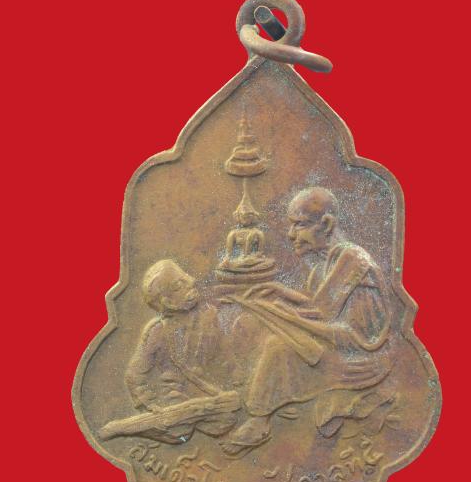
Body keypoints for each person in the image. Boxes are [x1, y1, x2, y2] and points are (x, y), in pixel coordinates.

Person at [222, 188, 392, 455]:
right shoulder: (327, 262)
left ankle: (259, 419)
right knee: (252, 321)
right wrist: (279, 292)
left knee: (277, 347)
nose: (291, 234)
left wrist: (285, 314)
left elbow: (328, 319)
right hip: (335, 343)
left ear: (326, 224)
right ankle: (263, 393)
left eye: (299, 225)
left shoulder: (352, 259)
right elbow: (315, 304)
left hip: (358, 357)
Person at [125, 259, 236, 444]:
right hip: (177, 400)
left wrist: (235, 374)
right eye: (179, 284)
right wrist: (149, 405)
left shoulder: (209, 315)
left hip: (211, 393)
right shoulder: (157, 331)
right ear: (168, 302)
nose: (192, 281)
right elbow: (134, 374)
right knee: (179, 434)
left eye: (186, 276)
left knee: (226, 421)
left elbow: (227, 353)